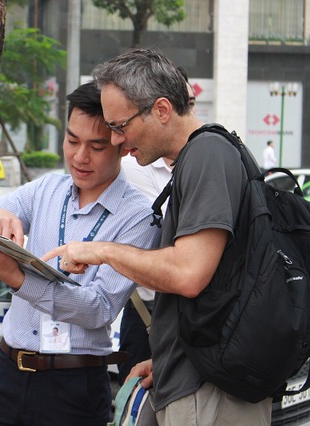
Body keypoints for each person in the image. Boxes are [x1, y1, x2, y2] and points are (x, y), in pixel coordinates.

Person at [43, 49, 273, 425]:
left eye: (120, 126)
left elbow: (188, 274)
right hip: (196, 376)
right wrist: (169, 359)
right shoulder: (201, 156)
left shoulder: (207, 156)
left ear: (162, 110)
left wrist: (102, 250)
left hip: (208, 393)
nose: (116, 141)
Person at [0, 82, 160, 426]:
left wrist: (16, 278)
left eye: (96, 146)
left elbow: (99, 308)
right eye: (72, 141)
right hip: (7, 372)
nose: (80, 157)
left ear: (122, 146)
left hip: (73, 385)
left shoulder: (139, 217)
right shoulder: (47, 189)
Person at [117, 75, 196, 384]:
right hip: (146, 312)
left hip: (194, 313)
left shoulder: (205, 159)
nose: (186, 114)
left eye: (190, 104)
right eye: (182, 104)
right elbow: (162, 230)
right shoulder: (133, 166)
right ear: (162, 109)